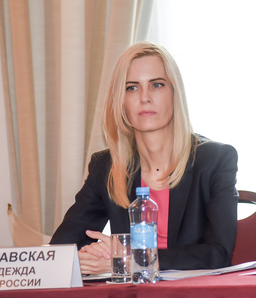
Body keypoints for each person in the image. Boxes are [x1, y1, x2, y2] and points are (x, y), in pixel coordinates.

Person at [50, 42, 238, 272]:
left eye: (157, 85)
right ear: (121, 101)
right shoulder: (106, 167)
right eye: (132, 88)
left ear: (175, 93)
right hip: (131, 293)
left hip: (194, 292)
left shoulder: (215, 160)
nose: (145, 97)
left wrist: (129, 261)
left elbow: (218, 254)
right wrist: (95, 254)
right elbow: (61, 248)